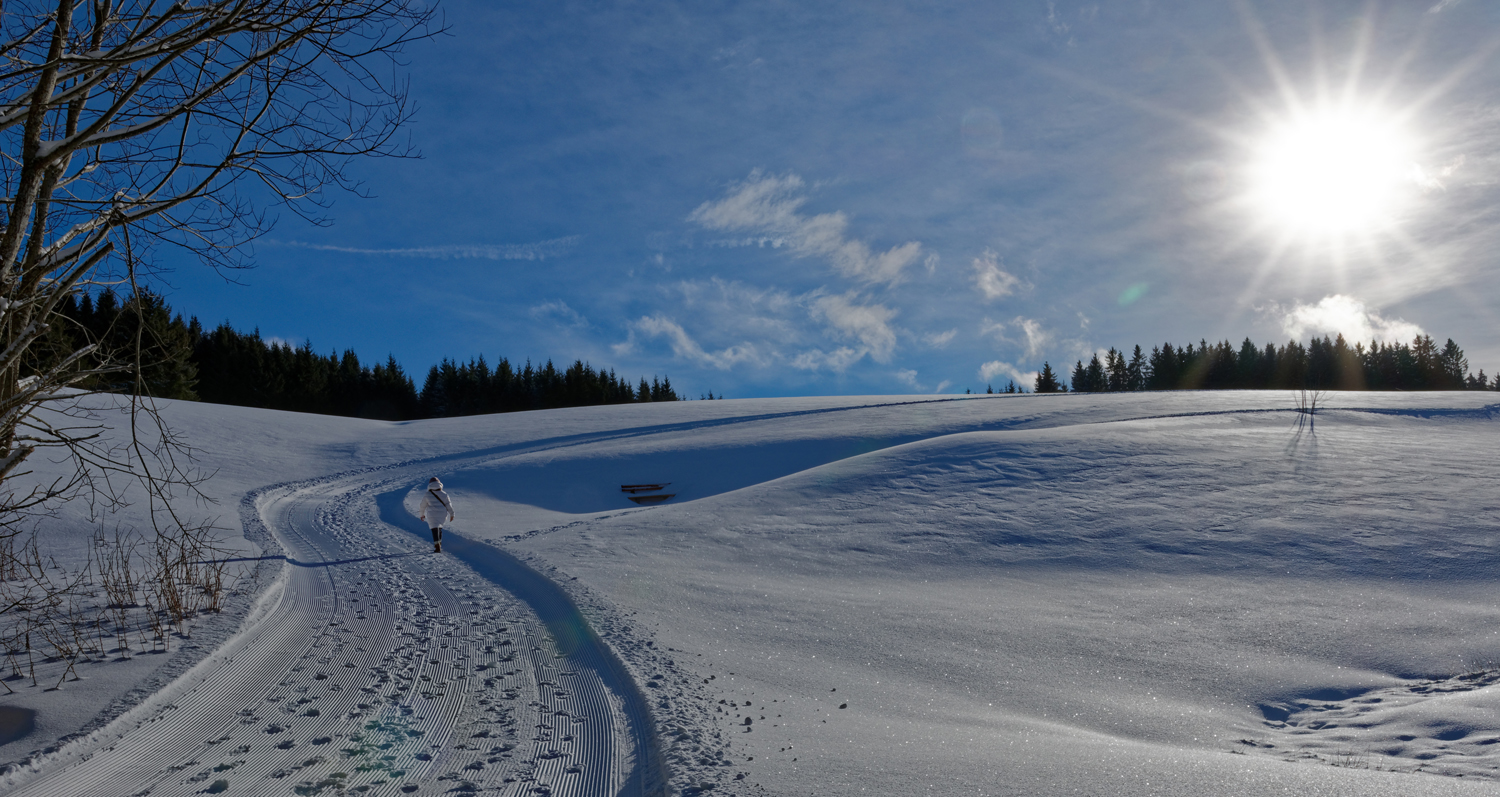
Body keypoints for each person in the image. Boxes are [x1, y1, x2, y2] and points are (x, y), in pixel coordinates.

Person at [419, 476, 455, 553]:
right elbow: (449, 505)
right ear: (439, 484)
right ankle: (439, 543)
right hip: (442, 513)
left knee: (434, 529)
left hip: (432, 514)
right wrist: (452, 514)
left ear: (430, 484)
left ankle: (437, 545)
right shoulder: (444, 494)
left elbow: (422, 505)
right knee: (439, 528)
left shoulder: (427, 494)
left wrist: (422, 514)